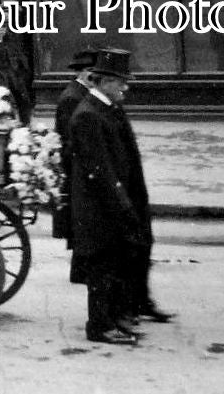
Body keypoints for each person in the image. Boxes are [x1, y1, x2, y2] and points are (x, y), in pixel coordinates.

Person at [68, 48, 170, 345]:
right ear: (103, 82)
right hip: (99, 209)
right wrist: (123, 206)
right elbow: (100, 171)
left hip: (112, 204)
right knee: (101, 268)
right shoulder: (87, 115)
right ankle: (99, 326)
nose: (125, 87)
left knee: (114, 265)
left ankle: (113, 319)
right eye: (120, 82)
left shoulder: (108, 107)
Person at [51, 48, 97, 244]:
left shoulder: (83, 92)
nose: (93, 74)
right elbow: (70, 137)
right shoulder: (72, 97)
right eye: (89, 70)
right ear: (79, 72)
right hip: (74, 164)